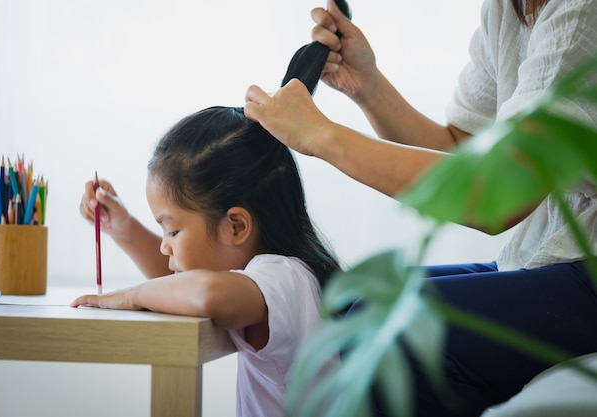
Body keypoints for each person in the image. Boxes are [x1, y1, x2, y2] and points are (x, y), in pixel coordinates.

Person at [244, 0, 597, 416]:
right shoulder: (508, 8)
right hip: (554, 262)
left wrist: (321, 135)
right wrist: (367, 86)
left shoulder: (579, 11)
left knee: (383, 329)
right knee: (344, 305)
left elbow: (496, 196)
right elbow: (463, 150)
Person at [71, 105, 340, 416]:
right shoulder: (278, 279)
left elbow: (206, 294)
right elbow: (183, 287)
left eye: (172, 230)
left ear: (236, 226)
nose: (164, 247)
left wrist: (131, 296)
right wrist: (123, 229)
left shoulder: (284, 277)